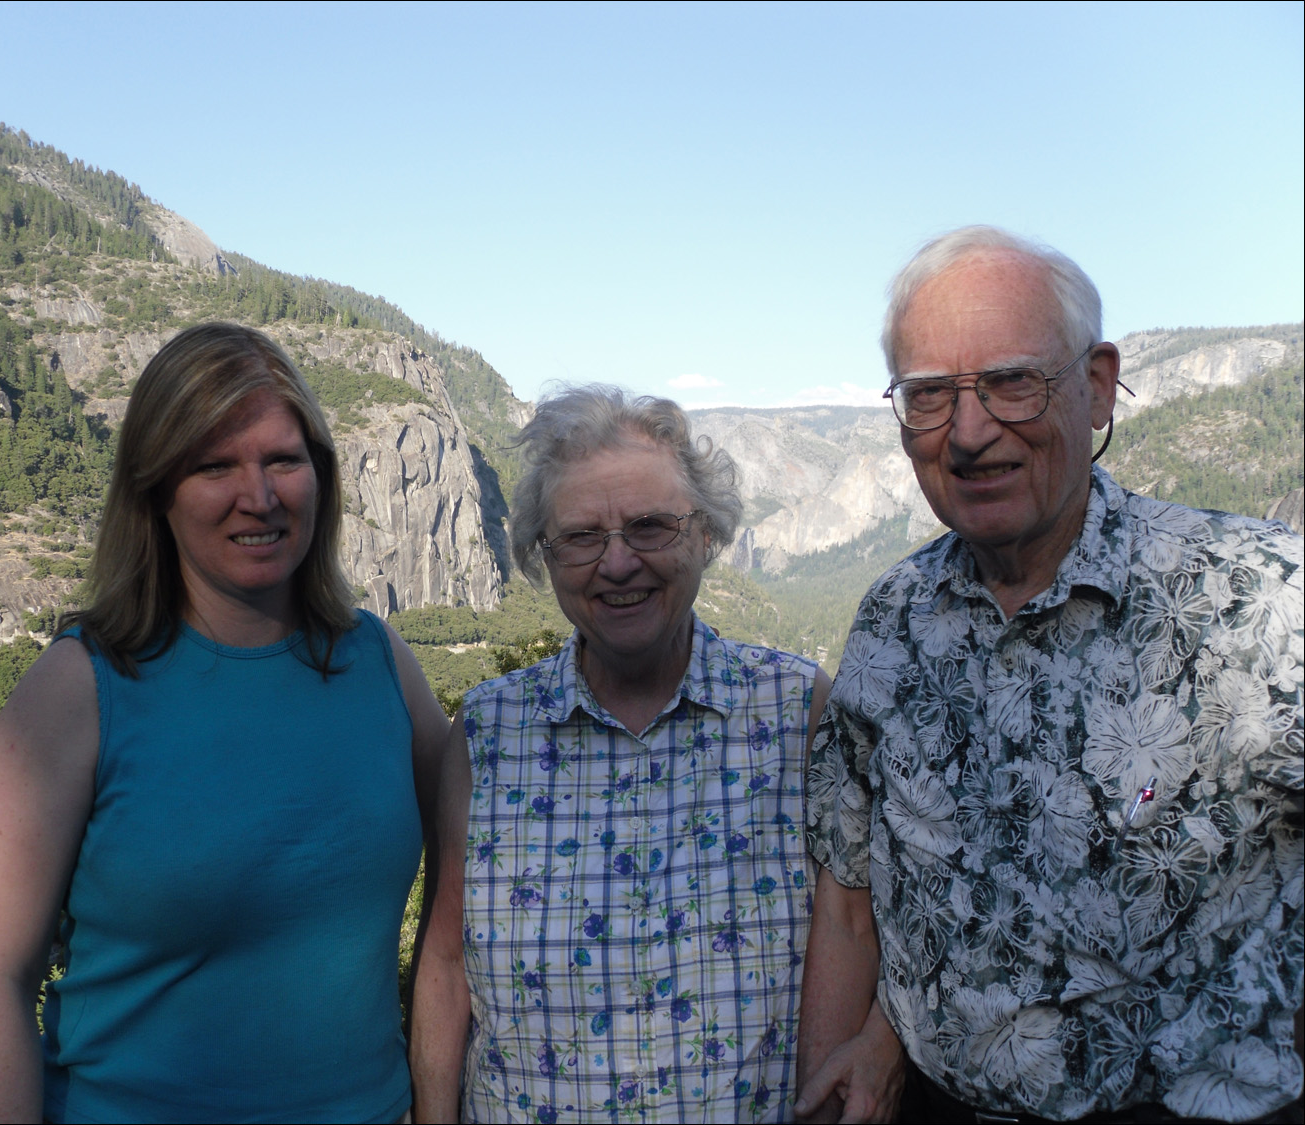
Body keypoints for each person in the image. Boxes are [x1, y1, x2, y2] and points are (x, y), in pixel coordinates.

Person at [797, 226, 1304, 1123]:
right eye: (929, 396)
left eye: (1010, 381)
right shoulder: (890, 622)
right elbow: (849, 899)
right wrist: (862, 1048)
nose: (968, 432)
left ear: (1098, 385)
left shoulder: (1259, 601)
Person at [0, 322, 449, 1123]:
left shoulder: (382, 664)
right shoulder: (80, 687)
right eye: (215, 465)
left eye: (282, 459)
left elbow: (478, 871)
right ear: (157, 490)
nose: (259, 495)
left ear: (320, 475)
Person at [410, 386, 832, 1123]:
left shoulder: (797, 710)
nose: (617, 562)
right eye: (580, 536)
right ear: (543, 553)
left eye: (650, 527)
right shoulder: (486, 733)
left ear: (706, 533)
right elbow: (445, 966)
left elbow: (867, 932)